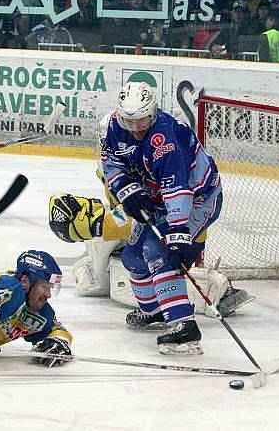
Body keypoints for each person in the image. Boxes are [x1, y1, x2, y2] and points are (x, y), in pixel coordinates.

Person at [97, 82, 224, 355]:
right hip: (157, 200)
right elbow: (111, 162)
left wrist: (178, 238)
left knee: (160, 251)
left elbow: (177, 189)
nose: (135, 127)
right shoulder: (115, 127)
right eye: (129, 120)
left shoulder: (164, 138)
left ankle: (184, 325)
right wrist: (129, 192)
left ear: (152, 113)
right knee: (132, 258)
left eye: (141, 120)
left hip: (199, 200)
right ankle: (156, 312)